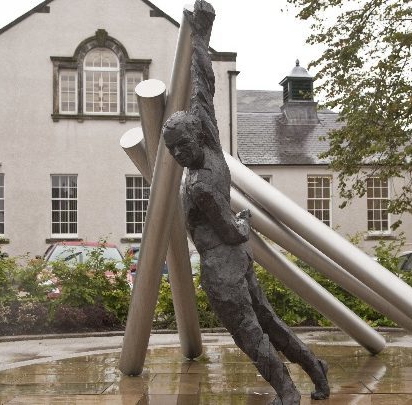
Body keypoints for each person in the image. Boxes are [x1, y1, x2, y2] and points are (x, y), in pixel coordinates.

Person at [163, 2, 330, 403]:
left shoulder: (201, 183)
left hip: (223, 266)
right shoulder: (214, 150)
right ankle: (314, 369)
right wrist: (202, 34)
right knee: (269, 322)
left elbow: (230, 229)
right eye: (173, 149)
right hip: (237, 262)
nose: (178, 154)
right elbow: (204, 85)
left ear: (195, 139)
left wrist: (242, 224)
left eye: (182, 145)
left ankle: (288, 393)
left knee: (251, 334)